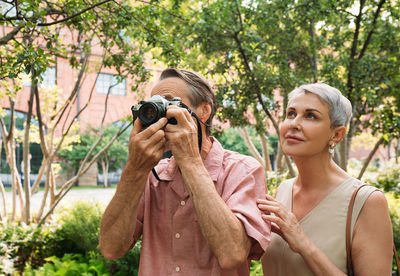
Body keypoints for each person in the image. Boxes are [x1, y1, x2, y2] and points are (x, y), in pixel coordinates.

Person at [99, 68, 271, 275]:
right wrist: (135, 168)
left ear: (204, 111)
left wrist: (189, 161)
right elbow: (111, 248)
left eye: (169, 103)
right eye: (155, 106)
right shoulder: (151, 174)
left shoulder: (242, 170)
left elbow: (232, 255)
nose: (159, 115)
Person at [257, 83, 393, 275]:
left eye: (311, 115)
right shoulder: (283, 190)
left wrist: (303, 244)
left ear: (336, 134)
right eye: (291, 113)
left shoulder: (366, 201)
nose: (294, 123)